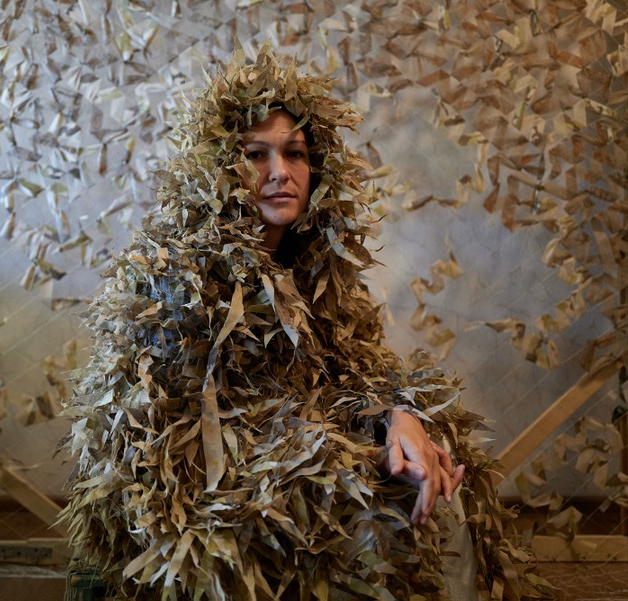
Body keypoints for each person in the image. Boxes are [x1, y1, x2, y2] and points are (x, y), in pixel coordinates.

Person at [61, 46, 553, 601]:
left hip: (307, 463)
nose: (279, 173)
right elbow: (196, 438)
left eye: (294, 153)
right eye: (256, 155)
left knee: (438, 474)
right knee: (373, 509)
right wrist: (350, 454)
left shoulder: (317, 268)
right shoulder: (179, 275)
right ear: (216, 169)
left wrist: (399, 416)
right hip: (205, 502)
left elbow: (354, 372)